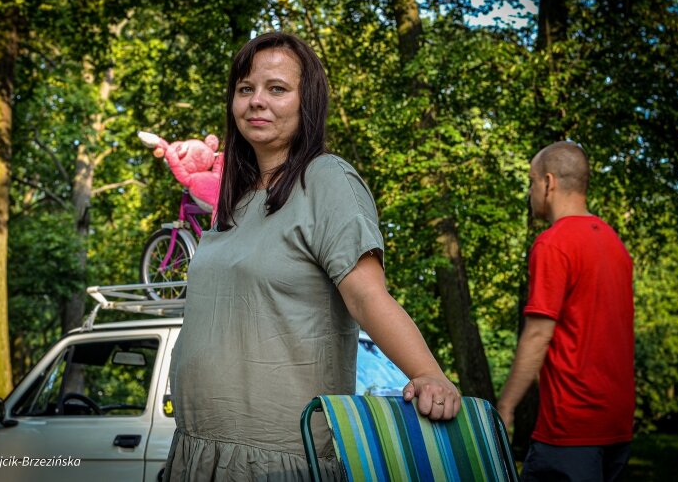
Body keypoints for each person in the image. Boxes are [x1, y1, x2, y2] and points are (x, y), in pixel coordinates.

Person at [164, 32, 460, 481]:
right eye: (245, 89)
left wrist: (427, 373)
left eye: (277, 88)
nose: (256, 101)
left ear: (309, 102)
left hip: (276, 462)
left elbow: (366, 297)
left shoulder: (327, 180)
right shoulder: (236, 199)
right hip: (195, 455)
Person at [497, 141, 635, 481]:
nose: (530, 193)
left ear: (548, 182)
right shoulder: (613, 243)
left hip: (570, 428)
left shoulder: (553, 243)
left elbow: (538, 333)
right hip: (617, 426)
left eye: (531, 182)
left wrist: (505, 406)